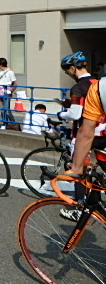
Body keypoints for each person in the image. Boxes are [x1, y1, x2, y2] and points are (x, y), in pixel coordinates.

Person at [66, 76, 106, 221]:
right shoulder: (95, 84)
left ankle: (79, 208)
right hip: (102, 136)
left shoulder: (99, 87)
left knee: (82, 170)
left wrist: (76, 168)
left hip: (93, 136)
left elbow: (84, 129)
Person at [0, 57, 18, 129]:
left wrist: (11, 91)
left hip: (6, 92)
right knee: (2, 109)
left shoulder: (10, 72)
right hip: (0, 92)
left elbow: (15, 83)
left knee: (7, 109)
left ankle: (13, 124)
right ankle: (4, 123)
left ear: (0, 64)